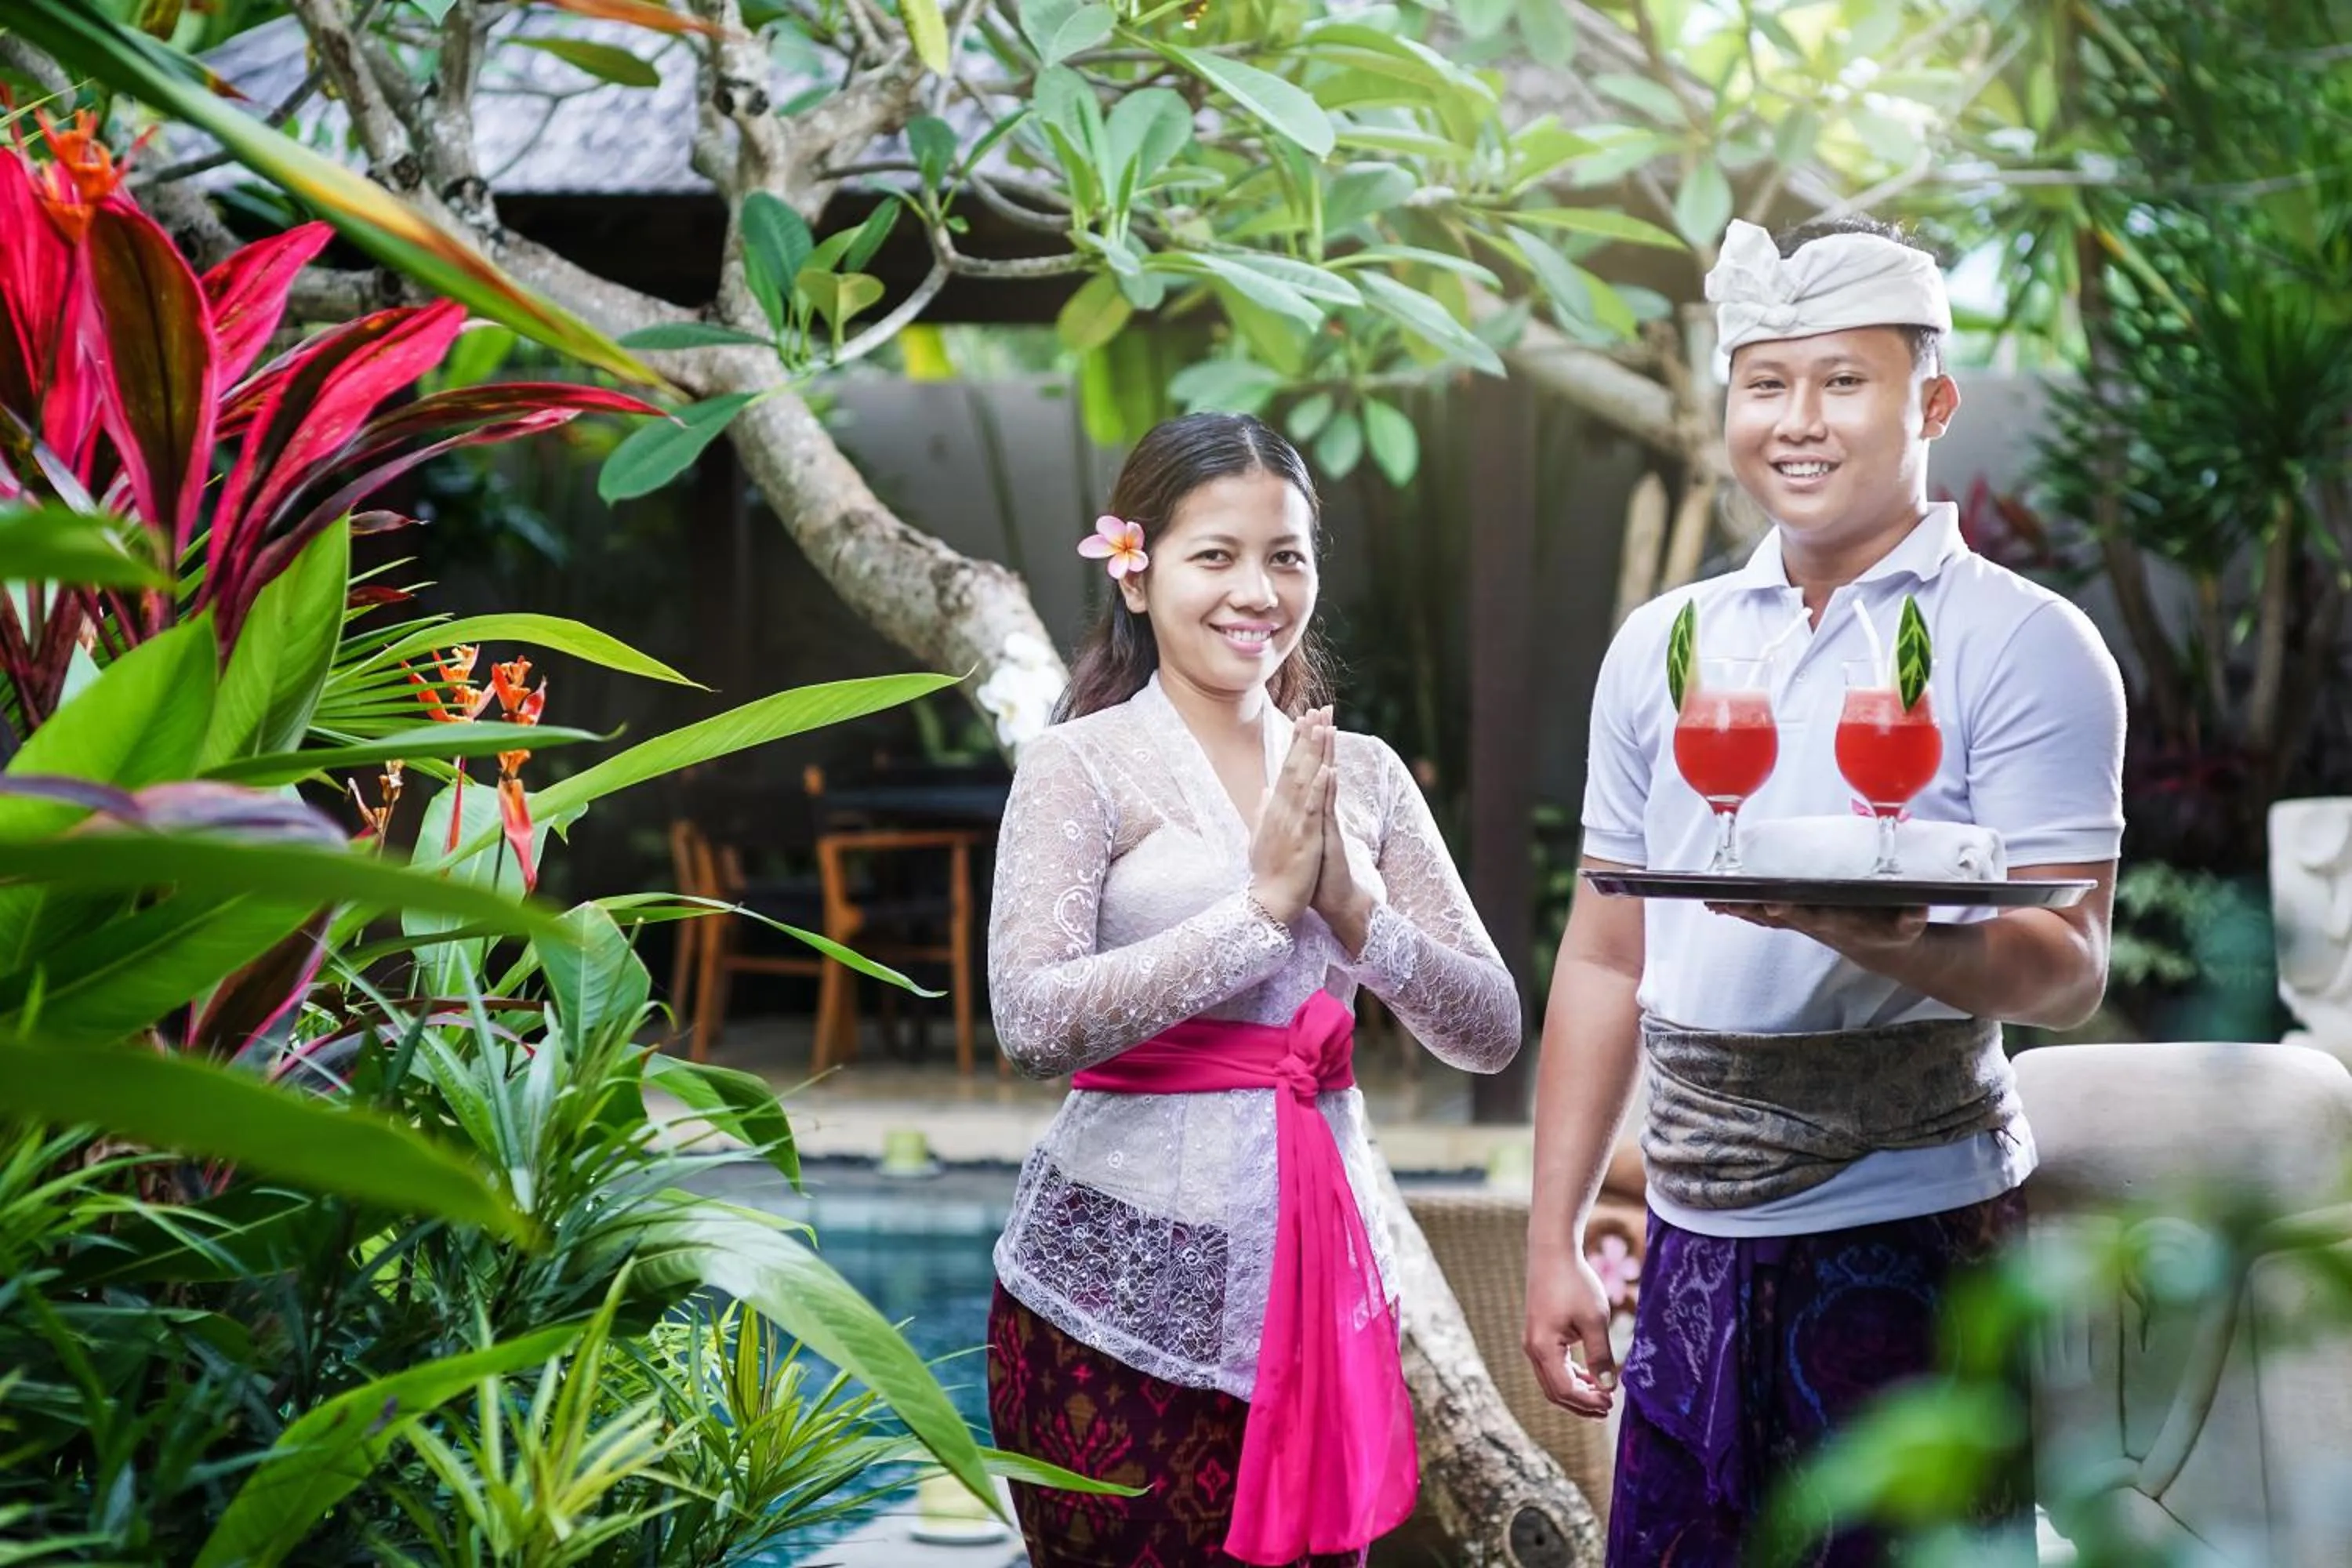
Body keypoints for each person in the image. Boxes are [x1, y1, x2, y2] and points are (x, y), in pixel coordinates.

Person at [1522, 216, 2126, 1563]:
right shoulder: (1665, 645)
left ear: (1934, 402)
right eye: (1766, 384)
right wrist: (1553, 1233)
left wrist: (1889, 942)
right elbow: (1607, 955)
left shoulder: (2025, 642)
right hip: (1689, 1237)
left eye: (1843, 381)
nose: (1797, 422)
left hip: (1911, 1225)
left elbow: (2071, 966)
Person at [985, 412, 1523, 1568]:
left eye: (1285, 556)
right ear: (1137, 576)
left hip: (1319, 1283)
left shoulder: (1364, 775)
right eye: (1215, 555)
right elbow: (1030, 1023)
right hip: (1108, 1301)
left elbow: (1490, 1030)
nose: (1256, 592)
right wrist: (1260, 914)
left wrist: (1358, 917)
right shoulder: (1079, 766)